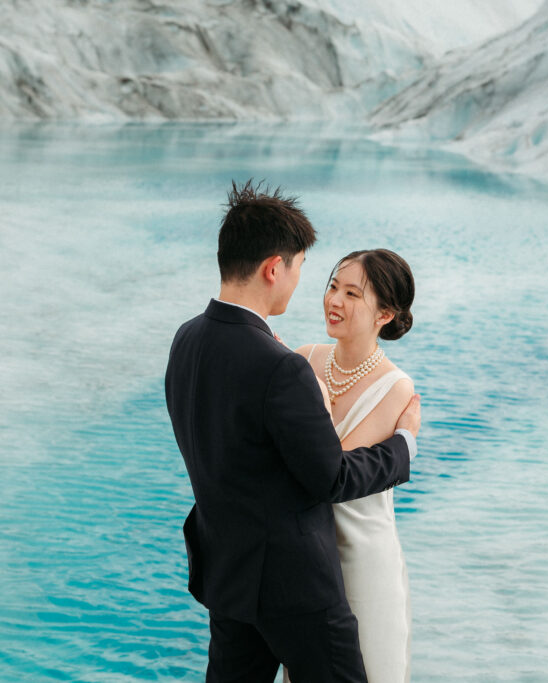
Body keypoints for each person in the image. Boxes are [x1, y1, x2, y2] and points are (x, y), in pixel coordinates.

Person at [164, 180, 422, 682]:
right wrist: (403, 447)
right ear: (273, 268)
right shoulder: (283, 366)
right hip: (295, 586)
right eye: (306, 270)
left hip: (230, 576)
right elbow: (328, 478)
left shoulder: (187, 339)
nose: (310, 286)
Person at [293, 249, 417, 683]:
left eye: (351, 294)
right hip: (307, 559)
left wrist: (320, 403)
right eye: (332, 287)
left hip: (364, 561)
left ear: (384, 313)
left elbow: (330, 471)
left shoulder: (396, 386)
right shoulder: (304, 360)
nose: (334, 301)